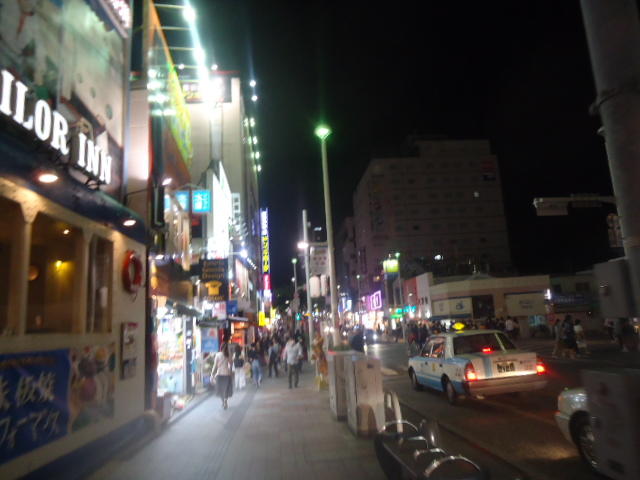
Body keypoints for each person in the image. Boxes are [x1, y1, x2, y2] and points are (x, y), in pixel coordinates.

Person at [211, 342, 233, 409]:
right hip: (227, 374)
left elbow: (215, 365)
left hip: (219, 374)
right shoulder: (228, 355)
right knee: (226, 389)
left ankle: (223, 402)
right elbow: (231, 364)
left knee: (220, 389)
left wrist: (212, 374)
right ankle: (225, 401)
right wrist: (230, 372)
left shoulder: (218, 355)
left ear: (221, 347)